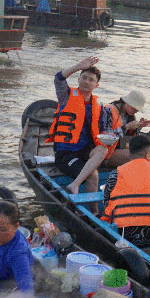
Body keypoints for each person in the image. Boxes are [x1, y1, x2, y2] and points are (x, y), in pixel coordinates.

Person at [47, 57, 108, 197]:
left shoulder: (98, 106)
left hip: (85, 151)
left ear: (97, 85)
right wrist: (78, 67)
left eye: (91, 80)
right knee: (93, 176)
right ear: (78, 79)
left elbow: (103, 130)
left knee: (103, 149)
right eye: (84, 77)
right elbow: (58, 78)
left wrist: (108, 135)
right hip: (66, 154)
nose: (87, 81)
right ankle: (88, 207)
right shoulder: (66, 96)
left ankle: (91, 210)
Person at [103, 135, 150, 248]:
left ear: (129, 153)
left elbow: (107, 203)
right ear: (148, 154)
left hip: (127, 235)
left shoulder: (116, 174)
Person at [102, 91, 150, 168]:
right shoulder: (108, 110)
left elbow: (128, 139)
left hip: (119, 149)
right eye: (134, 107)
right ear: (126, 102)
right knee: (140, 156)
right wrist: (126, 127)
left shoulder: (129, 116)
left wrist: (139, 126)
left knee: (147, 152)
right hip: (104, 152)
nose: (135, 110)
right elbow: (105, 137)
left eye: (137, 109)